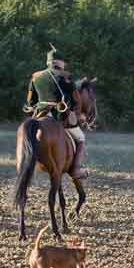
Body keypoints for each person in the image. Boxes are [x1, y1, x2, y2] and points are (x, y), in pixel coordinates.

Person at [24, 46, 88, 179]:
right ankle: (76, 169)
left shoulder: (36, 76)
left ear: (48, 62)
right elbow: (76, 101)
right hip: (60, 116)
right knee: (81, 138)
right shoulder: (67, 77)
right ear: (61, 62)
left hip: (40, 115)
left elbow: (30, 102)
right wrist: (76, 114)